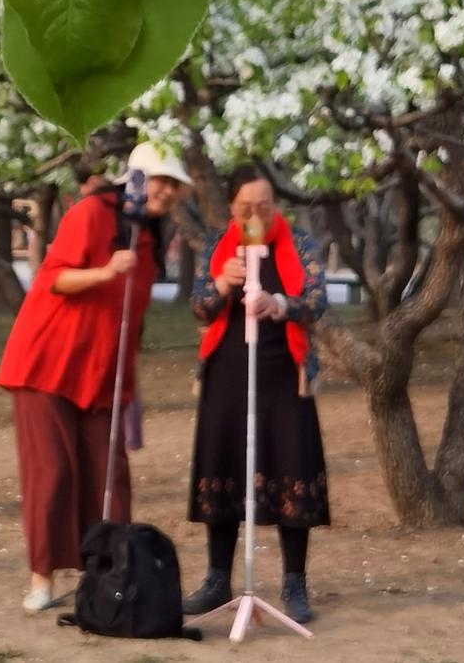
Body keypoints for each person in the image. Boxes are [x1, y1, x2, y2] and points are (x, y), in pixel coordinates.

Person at [0, 142, 192, 614]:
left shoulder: (145, 237)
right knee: (54, 473)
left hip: (103, 373)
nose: (166, 191)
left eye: (173, 184)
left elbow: (133, 320)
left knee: (110, 475)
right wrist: (105, 272)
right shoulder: (91, 213)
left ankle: (109, 571)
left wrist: (128, 386)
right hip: (48, 363)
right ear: (137, 179)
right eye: (160, 180)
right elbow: (54, 278)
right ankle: (42, 578)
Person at [183, 164, 330, 626]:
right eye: (247, 207)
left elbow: (318, 300)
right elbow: (199, 305)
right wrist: (223, 284)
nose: (256, 215)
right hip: (227, 371)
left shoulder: (299, 242)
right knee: (224, 463)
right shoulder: (217, 244)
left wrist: (280, 304)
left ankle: (295, 582)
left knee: (291, 464)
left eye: (264, 206)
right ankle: (216, 578)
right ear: (231, 207)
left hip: (284, 374)